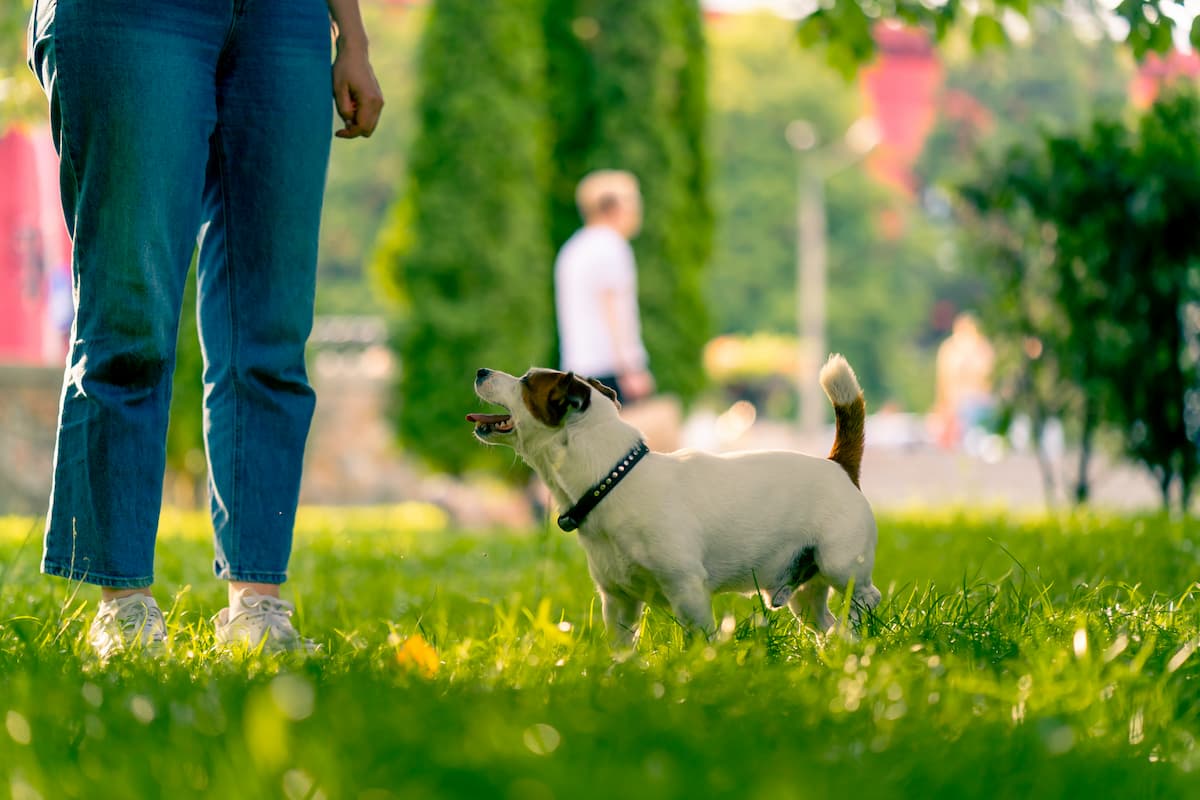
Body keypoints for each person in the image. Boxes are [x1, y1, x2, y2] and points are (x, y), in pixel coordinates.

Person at [27, 0, 383, 657]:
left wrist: (352, 36)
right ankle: (123, 603)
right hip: (130, 18)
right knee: (130, 323)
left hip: (283, 20)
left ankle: (259, 606)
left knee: (270, 336)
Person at [554, 170, 655, 405]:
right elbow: (615, 312)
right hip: (610, 371)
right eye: (632, 201)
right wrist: (632, 368)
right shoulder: (611, 246)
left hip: (577, 370)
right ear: (612, 207)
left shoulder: (574, 248)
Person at [932, 312, 996, 449]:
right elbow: (943, 383)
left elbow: (989, 382)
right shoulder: (949, 349)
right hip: (958, 407)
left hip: (977, 405)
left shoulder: (983, 349)